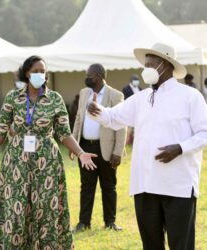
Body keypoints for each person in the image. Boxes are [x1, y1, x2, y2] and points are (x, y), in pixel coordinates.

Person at [0, 55, 97, 249]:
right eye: (35, 71)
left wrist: (80, 152)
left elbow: (64, 133)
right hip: (17, 162)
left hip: (47, 164)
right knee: (16, 212)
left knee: (46, 210)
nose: (40, 75)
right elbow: (0, 134)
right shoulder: (13, 98)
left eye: (42, 71)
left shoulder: (54, 99)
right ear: (27, 73)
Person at [88, 43, 207, 250]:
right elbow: (113, 117)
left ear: (167, 65)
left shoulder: (190, 96)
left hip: (178, 185)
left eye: (151, 64)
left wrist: (179, 148)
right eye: (146, 64)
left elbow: (204, 133)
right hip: (145, 184)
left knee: (182, 245)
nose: (146, 69)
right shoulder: (140, 99)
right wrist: (96, 110)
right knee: (151, 245)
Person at [72, 64, 126, 233]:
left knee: (108, 186)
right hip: (85, 147)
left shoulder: (115, 95)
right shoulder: (83, 93)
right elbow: (79, 119)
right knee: (86, 187)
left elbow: (121, 125)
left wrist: (117, 152)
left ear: (100, 75)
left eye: (90, 75)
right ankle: (83, 222)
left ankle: (110, 222)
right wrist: (74, 144)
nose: (87, 78)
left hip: (107, 149)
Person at [122, 74, 142, 145]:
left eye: (137, 80)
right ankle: (126, 142)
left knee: (138, 128)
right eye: (134, 80)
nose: (136, 82)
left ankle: (135, 142)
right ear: (131, 81)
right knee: (128, 129)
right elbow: (124, 100)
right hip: (129, 111)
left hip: (139, 111)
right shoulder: (125, 89)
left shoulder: (140, 89)